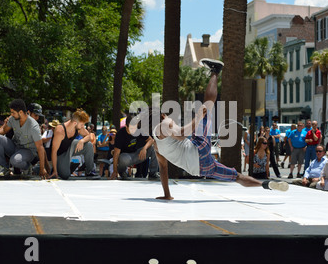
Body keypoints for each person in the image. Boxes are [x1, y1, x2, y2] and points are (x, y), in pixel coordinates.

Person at [147, 59, 289, 200]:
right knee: (206, 106)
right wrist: (197, 119)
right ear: (162, 115)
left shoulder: (157, 147)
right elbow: (182, 135)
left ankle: (266, 184)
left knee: (237, 177)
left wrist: (167, 194)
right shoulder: (165, 123)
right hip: (198, 150)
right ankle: (215, 70)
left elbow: (163, 170)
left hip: (202, 169)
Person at [0, 99, 47, 179]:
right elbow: (4, 130)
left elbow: (40, 147)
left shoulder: (33, 126)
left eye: (13, 113)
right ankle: (4, 168)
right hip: (15, 147)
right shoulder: (12, 119)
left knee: (14, 160)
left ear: (20, 112)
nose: (11, 115)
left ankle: (27, 167)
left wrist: (42, 168)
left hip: (28, 151)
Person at [48, 109, 100, 180]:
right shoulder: (60, 131)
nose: (83, 126)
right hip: (60, 155)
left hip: (70, 149)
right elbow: (54, 152)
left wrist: (82, 140)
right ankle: (59, 168)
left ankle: (90, 171)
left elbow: (89, 136)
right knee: (65, 175)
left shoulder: (78, 128)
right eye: (82, 124)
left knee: (88, 145)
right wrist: (54, 170)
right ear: (75, 123)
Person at [109, 114, 159, 180]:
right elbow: (116, 154)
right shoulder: (120, 134)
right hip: (125, 157)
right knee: (123, 158)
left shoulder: (139, 130)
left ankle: (153, 173)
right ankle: (122, 172)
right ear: (126, 126)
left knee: (154, 148)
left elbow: (151, 140)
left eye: (135, 128)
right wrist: (115, 172)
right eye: (131, 128)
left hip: (137, 155)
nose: (133, 131)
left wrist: (144, 148)